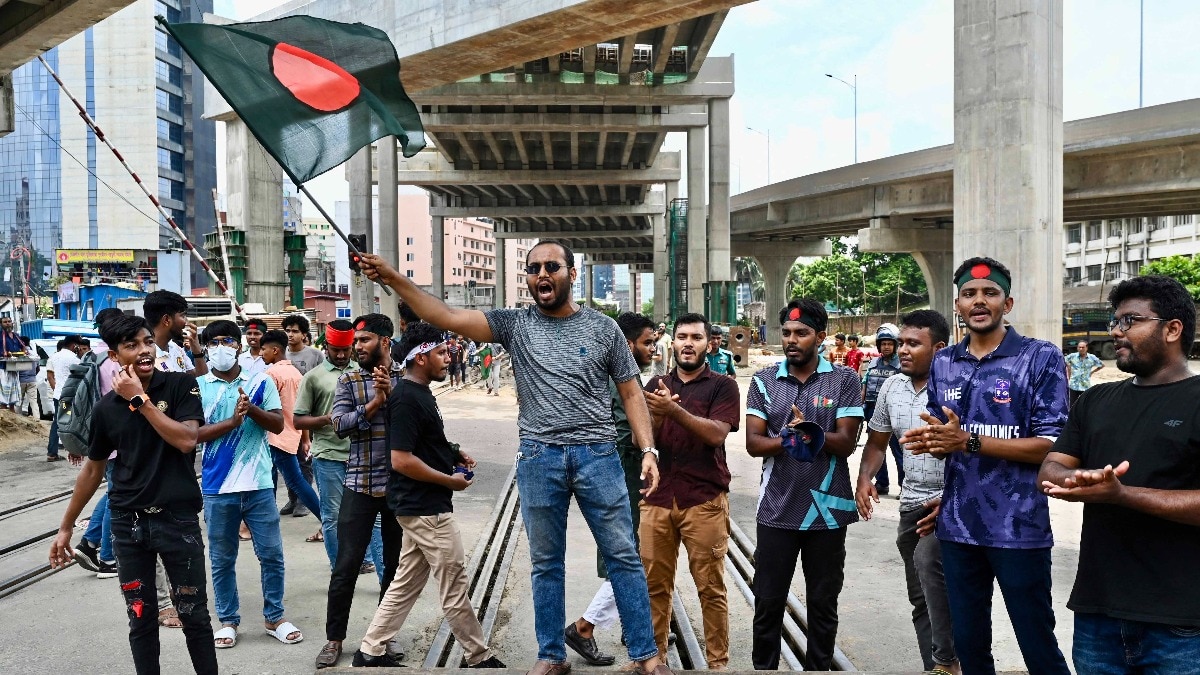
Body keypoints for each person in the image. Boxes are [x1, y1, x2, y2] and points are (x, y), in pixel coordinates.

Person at [358, 242, 670, 675]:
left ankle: (646, 655)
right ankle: (551, 655)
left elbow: (631, 392)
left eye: (552, 267)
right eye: (534, 268)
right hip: (539, 458)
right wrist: (391, 277)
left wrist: (649, 449)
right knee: (546, 562)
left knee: (623, 556)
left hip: (598, 456)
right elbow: (445, 315)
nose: (542, 274)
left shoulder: (604, 329)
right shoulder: (514, 324)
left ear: (571, 273)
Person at [900, 257, 1070, 675]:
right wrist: (934, 444)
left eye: (990, 293)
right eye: (970, 294)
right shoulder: (944, 363)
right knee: (971, 647)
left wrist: (966, 441)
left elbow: (1052, 445)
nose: (980, 301)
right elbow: (949, 441)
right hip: (958, 527)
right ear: (957, 304)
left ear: (1006, 303)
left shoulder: (1040, 357)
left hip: (1020, 528)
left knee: (1037, 644)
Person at [1039, 275, 1200, 673]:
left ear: (1172, 329)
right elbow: (1052, 466)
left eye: (1131, 320)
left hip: (1182, 624)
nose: (1116, 331)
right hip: (1098, 615)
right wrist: (1083, 481)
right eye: (1116, 321)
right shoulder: (1095, 400)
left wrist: (1121, 494)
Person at [47, 314, 218, 675]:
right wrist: (65, 527)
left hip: (177, 521)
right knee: (140, 618)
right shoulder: (106, 409)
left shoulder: (180, 385)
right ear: (114, 356)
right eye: (131, 345)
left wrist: (141, 400)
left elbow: (186, 440)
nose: (143, 351)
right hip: (128, 526)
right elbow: (93, 470)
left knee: (194, 616)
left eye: (147, 342)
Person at [353, 322, 507, 668]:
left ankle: (371, 648)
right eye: (439, 353)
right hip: (425, 507)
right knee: (454, 581)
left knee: (405, 582)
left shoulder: (418, 394)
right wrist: (448, 481)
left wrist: (454, 451)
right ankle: (477, 654)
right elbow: (401, 459)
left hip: (420, 505)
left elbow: (423, 442)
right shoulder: (407, 399)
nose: (447, 358)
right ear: (420, 358)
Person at [745, 299, 864, 671]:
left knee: (823, 602)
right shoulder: (764, 382)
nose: (792, 339)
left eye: (802, 333)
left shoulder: (844, 380)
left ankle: (818, 668)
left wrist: (809, 433)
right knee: (767, 601)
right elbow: (753, 444)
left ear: (821, 337)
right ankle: (764, 668)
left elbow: (845, 443)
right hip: (777, 509)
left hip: (827, 513)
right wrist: (790, 438)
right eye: (787, 333)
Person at [854, 311, 958, 674]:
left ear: (939, 349)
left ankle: (950, 664)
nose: (903, 351)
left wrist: (953, 500)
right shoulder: (891, 387)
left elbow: (978, 451)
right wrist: (865, 477)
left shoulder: (959, 388)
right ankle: (935, 667)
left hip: (951, 505)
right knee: (921, 599)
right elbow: (878, 442)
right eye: (901, 343)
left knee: (934, 573)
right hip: (911, 505)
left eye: (913, 344)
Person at [194, 320, 301, 650]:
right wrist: (232, 422)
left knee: (271, 554)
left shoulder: (260, 381)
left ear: (239, 346)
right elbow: (192, 435)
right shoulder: (197, 387)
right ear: (206, 349)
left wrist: (250, 409)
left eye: (226, 341)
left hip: (258, 484)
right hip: (216, 487)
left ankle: (274, 617)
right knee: (221, 559)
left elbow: (278, 422)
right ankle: (228, 620)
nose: (219, 348)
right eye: (212, 343)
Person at [641, 312, 740, 668]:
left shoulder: (723, 386)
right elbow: (646, 438)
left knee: (710, 589)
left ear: (709, 344)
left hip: (705, 501)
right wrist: (657, 413)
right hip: (658, 497)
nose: (687, 343)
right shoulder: (655, 385)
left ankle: (717, 664)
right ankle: (654, 661)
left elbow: (716, 434)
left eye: (696, 338)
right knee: (654, 587)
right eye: (682, 336)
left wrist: (673, 411)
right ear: (673, 342)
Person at [567, 312, 658, 666]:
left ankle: (626, 622)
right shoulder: (626, 379)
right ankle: (586, 627)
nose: (653, 348)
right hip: (624, 469)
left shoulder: (599, 373)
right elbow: (635, 434)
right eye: (647, 342)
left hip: (604, 468)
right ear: (628, 343)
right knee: (628, 556)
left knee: (624, 553)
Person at [317, 314, 407, 670]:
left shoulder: (408, 378)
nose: (357, 347)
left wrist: (393, 394)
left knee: (394, 569)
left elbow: (420, 426)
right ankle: (333, 639)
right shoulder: (350, 380)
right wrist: (375, 402)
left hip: (397, 489)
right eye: (356, 342)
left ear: (385, 342)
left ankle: (384, 638)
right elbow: (339, 426)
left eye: (365, 340)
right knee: (346, 567)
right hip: (359, 484)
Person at [72, 307, 128, 580]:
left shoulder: (93, 355)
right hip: (119, 440)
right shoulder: (115, 361)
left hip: (101, 439)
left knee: (112, 494)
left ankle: (89, 542)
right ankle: (107, 557)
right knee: (117, 499)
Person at [260, 330, 321, 519]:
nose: (261, 353)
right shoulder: (295, 373)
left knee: (291, 480)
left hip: (275, 436)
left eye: (264, 349)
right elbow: (301, 409)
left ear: (275, 350)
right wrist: (304, 438)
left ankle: (325, 517)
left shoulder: (271, 374)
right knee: (290, 479)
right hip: (292, 434)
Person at [863, 324, 903, 496]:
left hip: (893, 411)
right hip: (873, 410)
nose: (886, 347)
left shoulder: (901, 364)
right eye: (883, 344)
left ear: (895, 345)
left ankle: (904, 484)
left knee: (898, 450)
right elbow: (864, 386)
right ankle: (882, 483)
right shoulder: (872, 363)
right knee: (876, 448)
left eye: (889, 343)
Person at [144, 289, 206, 377]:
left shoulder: (176, 349)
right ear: (166, 320)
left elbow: (201, 381)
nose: (186, 322)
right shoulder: (145, 356)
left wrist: (197, 351)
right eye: (183, 316)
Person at [45, 335, 83, 461]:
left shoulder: (55, 356)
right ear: (74, 345)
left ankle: (52, 451)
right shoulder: (73, 358)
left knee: (58, 422)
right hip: (69, 396)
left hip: (58, 395)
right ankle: (71, 450)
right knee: (67, 423)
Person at [1064, 339, 1104, 408]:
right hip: (1074, 385)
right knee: (1072, 405)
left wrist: (1092, 372)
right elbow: (1063, 360)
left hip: (1085, 386)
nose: (1081, 349)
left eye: (1083, 347)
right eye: (1079, 347)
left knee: (1085, 405)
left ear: (1086, 348)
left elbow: (1101, 365)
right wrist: (1068, 368)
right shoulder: (1072, 356)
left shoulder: (1092, 358)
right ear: (1077, 348)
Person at [0, 315, 26, 411]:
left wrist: (24, 352)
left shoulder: (16, 336)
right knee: (3, 396)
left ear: (12, 323)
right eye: (5, 322)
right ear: (1, 324)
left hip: (14, 368)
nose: (7, 323)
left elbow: (23, 346)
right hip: (3, 369)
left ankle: (12, 418)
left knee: (13, 396)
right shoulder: (0, 336)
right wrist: (4, 353)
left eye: (9, 321)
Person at [16, 335, 40, 417]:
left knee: (19, 401)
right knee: (34, 401)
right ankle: (37, 419)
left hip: (20, 380)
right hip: (32, 380)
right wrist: (32, 375)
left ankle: (18, 419)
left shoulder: (18, 353)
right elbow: (38, 368)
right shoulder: (34, 354)